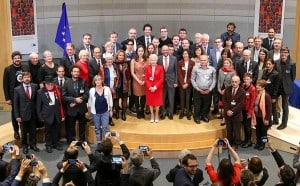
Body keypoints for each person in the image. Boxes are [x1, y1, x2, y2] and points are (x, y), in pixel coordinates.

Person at [3, 51, 29, 140]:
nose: (17, 59)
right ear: (13, 59)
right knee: (15, 113)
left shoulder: (25, 67)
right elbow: (5, 85)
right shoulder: (8, 69)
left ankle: (25, 130)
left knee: (25, 111)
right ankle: (16, 131)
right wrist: (7, 98)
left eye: (18, 58)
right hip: (13, 95)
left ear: (21, 59)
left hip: (24, 94)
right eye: (15, 58)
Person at [14, 72, 40, 154]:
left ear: (30, 78)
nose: (27, 79)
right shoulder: (17, 89)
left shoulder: (35, 86)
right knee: (24, 132)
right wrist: (17, 115)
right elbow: (15, 104)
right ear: (22, 79)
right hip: (23, 114)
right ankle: (25, 146)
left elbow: (37, 100)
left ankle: (33, 145)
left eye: (28, 77)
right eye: (25, 77)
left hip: (33, 113)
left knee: (33, 131)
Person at [37, 76, 64, 153]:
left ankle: (55, 143)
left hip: (56, 114)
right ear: (45, 84)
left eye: (52, 84)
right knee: (48, 131)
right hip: (47, 115)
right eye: (48, 84)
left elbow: (60, 103)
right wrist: (40, 117)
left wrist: (61, 114)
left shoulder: (57, 90)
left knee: (56, 130)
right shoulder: (40, 92)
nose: (50, 86)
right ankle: (48, 145)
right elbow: (38, 106)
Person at [62, 65, 89, 143]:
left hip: (81, 108)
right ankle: (71, 142)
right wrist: (74, 100)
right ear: (71, 73)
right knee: (71, 127)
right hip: (71, 109)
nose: (76, 73)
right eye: (75, 71)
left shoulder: (83, 81)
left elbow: (87, 94)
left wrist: (77, 101)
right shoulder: (66, 83)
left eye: (78, 71)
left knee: (82, 127)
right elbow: (64, 96)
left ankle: (82, 141)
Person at [275, 46, 296, 130]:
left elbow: (293, 77)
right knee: (273, 103)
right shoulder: (276, 62)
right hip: (277, 86)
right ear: (280, 53)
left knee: (285, 106)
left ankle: (284, 123)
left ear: (288, 53)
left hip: (285, 88)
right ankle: (275, 120)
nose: (283, 54)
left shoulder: (292, 63)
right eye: (282, 52)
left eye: (285, 52)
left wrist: (287, 85)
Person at [191, 55, 216, 124]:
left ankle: (204, 116)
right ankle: (196, 117)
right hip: (198, 90)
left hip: (208, 91)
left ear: (207, 61)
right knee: (197, 105)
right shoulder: (195, 68)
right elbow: (192, 79)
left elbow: (214, 80)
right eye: (201, 60)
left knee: (207, 104)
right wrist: (198, 89)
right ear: (199, 60)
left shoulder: (212, 69)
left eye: (204, 60)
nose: (203, 61)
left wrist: (210, 89)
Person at [88, 75, 113, 143]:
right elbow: (89, 101)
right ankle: (99, 142)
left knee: (105, 128)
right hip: (95, 113)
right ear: (94, 82)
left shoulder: (107, 89)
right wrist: (89, 111)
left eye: (99, 80)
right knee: (97, 128)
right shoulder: (92, 90)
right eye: (96, 80)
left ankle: (106, 142)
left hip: (105, 112)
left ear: (102, 80)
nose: (98, 81)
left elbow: (110, 99)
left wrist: (111, 110)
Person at [223, 76, 246, 148]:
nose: (234, 83)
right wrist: (227, 110)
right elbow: (224, 101)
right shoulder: (227, 89)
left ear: (239, 82)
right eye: (232, 81)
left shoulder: (242, 91)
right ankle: (229, 144)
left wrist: (232, 111)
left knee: (237, 131)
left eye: (236, 82)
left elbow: (241, 104)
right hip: (227, 114)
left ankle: (236, 144)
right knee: (229, 130)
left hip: (236, 114)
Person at [158, 45, 178, 120]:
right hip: (161, 82)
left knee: (171, 98)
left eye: (167, 50)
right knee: (162, 98)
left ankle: (170, 112)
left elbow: (176, 71)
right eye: (164, 50)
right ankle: (163, 112)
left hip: (171, 81)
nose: (165, 51)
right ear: (161, 51)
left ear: (169, 50)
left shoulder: (174, 58)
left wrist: (176, 81)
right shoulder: (159, 58)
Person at [99, 53, 120, 121]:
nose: (109, 61)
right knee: (108, 104)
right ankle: (109, 119)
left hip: (114, 89)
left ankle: (116, 114)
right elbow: (101, 79)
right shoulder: (102, 67)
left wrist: (115, 88)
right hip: (106, 89)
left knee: (115, 102)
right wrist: (108, 89)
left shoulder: (115, 67)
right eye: (108, 59)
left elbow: (118, 78)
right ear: (105, 60)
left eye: (111, 59)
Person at [252, 79, 272, 151]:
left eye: (259, 86)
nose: (257, 86)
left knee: (264, 132)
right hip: (257, 116)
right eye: (257, 85)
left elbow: (269, 109)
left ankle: (263, 144)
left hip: (264, 117)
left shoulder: (266, 96)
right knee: (258, 130)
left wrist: (267, 118)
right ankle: (258, 142)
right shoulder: (257, 94)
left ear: (263, 87)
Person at [144, 54, 164, 123]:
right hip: (149, 88)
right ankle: (152, 115)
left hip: (157, 88)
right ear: (150, 60)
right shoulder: (147, 67)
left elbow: (161, 79)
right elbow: (146, 78)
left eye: (154, 60)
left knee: (157, 103)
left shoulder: (160, 67)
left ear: (156, 60)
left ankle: (156, 115)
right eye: (152, 60)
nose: (153, 61)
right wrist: (150, 87)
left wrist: (155, 87)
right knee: (150, 103)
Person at [130, 45, 148, 119]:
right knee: (137, 97)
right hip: (136, 80)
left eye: (142, 51)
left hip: (145, 80)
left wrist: (144, 81)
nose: (140, 52)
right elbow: (132, 72)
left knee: (143, 97)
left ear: (144, 52)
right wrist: (138, 80)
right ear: (137, 52)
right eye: (139, 51)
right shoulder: (133, 60)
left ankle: (142, 111)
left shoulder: (148, 60)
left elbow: (149, 71)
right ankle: (138, 111)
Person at [217, 58, 236, 126]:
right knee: (221, 104)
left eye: (227, 63)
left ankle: (224, 119)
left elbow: (233, 82)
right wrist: (219, 89)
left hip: (228, 90)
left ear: (230, 64)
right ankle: (222, 114)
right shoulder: (220, 70)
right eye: (224, 63)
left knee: (226, 104)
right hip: (221, 89)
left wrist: (225, 90)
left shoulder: (233, 72)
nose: (225, 64)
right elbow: (219, 80)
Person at [177, 49, 195, 120]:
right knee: (182, 98)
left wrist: (187, 83)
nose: (185, 55)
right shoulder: (180, 62)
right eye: (184, 54)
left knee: (188, 98)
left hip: (189, 84)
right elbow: (179, 74)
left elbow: (192, 75)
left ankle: (188, 112)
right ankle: (182, 112)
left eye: (186, 54)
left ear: (188, 54)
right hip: (181, 84)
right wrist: (182, 83)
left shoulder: (192, 63)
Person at [262, 58, 279, 125]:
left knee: (273, 107)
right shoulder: (264, 71)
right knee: (267, 107)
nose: (268, 65)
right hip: (265, 92)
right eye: (267, 64)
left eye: (269, 64)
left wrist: (274, 97)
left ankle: (275, 120)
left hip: (271, 94)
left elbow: (276, 86)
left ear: (273, 65)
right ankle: (269, 119)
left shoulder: (276, 74)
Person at [241, 73, 256, 148]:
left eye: (248, 79)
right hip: (242, 109)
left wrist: (250, 112)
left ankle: (249, 141)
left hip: (248, 111)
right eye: (245, 79)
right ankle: (245, 140)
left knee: (248, 127)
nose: (246, 80)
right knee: (244, 125)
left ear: (251, 80)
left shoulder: (252, 89)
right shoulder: (243, 86)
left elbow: (252, 102)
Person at [115, 50, 131, 121]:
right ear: (117, 56)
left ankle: (123, 113)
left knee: (124, 100)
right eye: (120, 55)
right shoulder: (114, 64)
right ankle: (117, 112)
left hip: (125, 85)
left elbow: (129, 75)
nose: (121, 57)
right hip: (117, 85)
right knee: (116, 100)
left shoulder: (127, 64)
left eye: (122, 55)